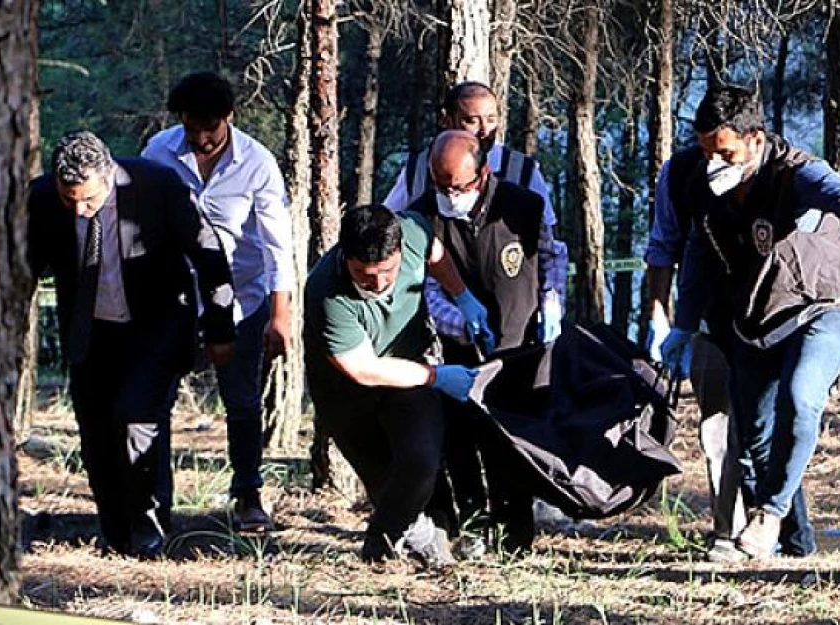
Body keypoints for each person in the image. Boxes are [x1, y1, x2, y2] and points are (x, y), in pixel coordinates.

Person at [660, 86, 840, 558]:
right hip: (755, 322)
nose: (713, 163)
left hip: (825, 308)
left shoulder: (799, 175)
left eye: (724, 152)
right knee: (754, 439)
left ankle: (772, 514)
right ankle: (790, 544)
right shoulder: (703, 183)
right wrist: (681, 324)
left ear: (755, 141)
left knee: (800, 396)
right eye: (705, 152)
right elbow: (698, 254)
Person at [28, 131, 236, 557]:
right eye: (71, 200)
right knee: (97, 434)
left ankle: (149, 525)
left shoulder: (157, 186)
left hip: (155, 328)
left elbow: (208, 251)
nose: (81, 210)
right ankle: (116, 530)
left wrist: (220, 327)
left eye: (89, 200)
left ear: (108, 176)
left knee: (137, 418)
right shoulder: (43, 199)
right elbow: (23, 268)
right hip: (91, 334)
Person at [142, 71, 295, 532]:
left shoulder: (258, 163)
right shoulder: (158, 153)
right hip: (174, 297)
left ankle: (248, 494)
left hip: (242, 300)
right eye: (192, 128)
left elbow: (276, 243)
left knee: (242, 400)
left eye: (210, 128)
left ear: (228, 118)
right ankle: (155, 501)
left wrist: (281, 313)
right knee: (157, 400)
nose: (201, 139)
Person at [303, 204, 492, 568]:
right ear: (345, 256)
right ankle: (420, 539)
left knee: (421, 460)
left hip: (409, 369)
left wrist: (463, 297)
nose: (376, 284)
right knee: (383, 479)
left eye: (386, 272)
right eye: (363, 274)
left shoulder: (414, 233)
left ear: (401, 252)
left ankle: (380, 545)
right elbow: (363, 369)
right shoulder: (326, 292)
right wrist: (439, 376)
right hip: (346, 390)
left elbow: (436, 254)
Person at [407, 130, 558, 553]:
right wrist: (460, 320)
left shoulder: (522, 206)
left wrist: (552, 303)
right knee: (461, 443)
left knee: (512, 446)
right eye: (441, 186)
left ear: (483, 173)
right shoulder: (422, 215)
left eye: (458, 187)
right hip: (458, 353)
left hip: (519, 348)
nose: (449, 195)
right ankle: (472, 527)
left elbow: (549, 254)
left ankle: (516, 538)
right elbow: (425, 287)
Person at [382, 81, 568, 329]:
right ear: (447, 120)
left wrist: (551, 307)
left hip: (519, 330)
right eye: (472, 120)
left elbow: (549, 250)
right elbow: (390, 232)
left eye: (491, 119)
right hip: (447, 331)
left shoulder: (522, 173)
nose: (484, 130)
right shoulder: (418, 173)